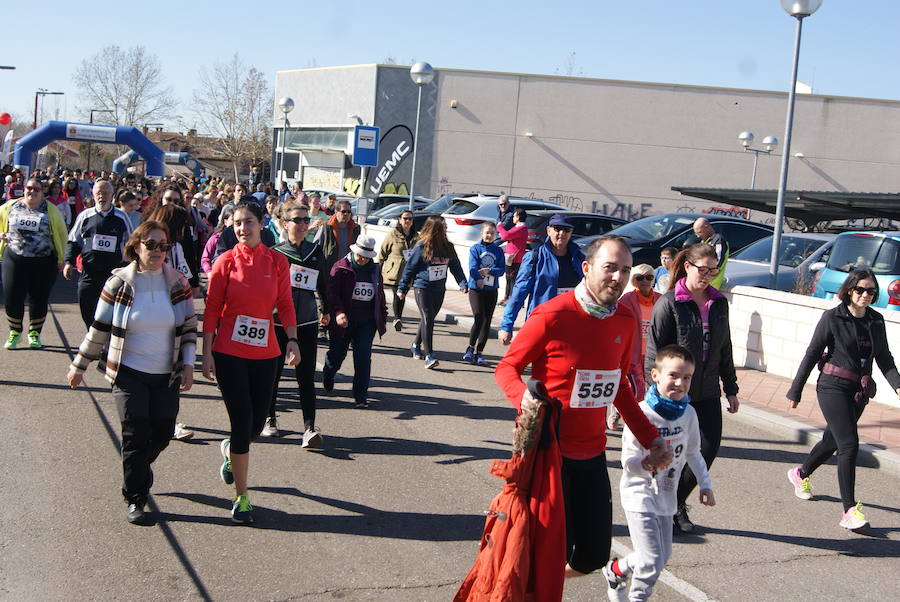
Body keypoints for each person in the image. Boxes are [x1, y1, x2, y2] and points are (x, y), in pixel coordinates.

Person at [495, 235, 672, 596]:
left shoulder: (624, 318)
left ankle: (536, 582)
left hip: (591, 454)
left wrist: (651, 438)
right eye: (610, 268)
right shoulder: (553, 314)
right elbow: (507, 367)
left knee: (592, 555)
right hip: (549, 454)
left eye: (625, 270)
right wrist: (525, 400)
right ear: (587, 268)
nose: (617, 278)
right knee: (549, 550)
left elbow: (618, 387)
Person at [65, 220, 197, 524]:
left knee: (162, 433)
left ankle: (138, 466)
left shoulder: (178, 283)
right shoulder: (119, 283)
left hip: (166, 373)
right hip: (128, 371)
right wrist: (79, 366)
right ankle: (135, 496)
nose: (157, 251)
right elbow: (98, 329)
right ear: (136, 247)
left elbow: (190, 328)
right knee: (134, 433)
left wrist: (188, 364)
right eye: (151, 244)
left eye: (163, 246)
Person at [202, 201, 299, 523]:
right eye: (237, 223)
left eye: (249, 222)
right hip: (229, 352)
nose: (243, 229)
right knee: (242, 419)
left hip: (266, 353)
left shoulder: (278, 262)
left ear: (261, 224)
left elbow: (285, 303)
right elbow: (213, 307)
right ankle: (242, 496)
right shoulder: (225, 262)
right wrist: (207, 351)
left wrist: (293, 340)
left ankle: (232, 449)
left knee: (257, 423)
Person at [786, 268, 900, 531]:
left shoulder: (876, 321)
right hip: (832, 386)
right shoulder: (833, 317)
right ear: (850, 290)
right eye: (860, 289)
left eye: (871, 291)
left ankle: (800, 473)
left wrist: (897, 385)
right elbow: (812, 353)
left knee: (832, 440)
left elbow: (884, 358)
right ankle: (849, 509)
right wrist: (796, 390)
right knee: (849, 444)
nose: (865, 295)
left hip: (858, 391)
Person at [603, 345, 715, 602]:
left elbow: (694, 452)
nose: (680, 383)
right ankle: (637, 597)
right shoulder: (641, 413)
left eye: (686, 377)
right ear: (655, 375)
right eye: (673, 375)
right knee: (651, 559)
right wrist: (647, 463)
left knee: (661, 557)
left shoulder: (688, 414)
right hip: (638, 494)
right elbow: (628, 462)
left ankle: (616, 570)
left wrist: (705, 484)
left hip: (667, 495)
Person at [645, 242, 739, 534]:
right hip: (675, 392)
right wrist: (658, 389)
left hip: (708, 389)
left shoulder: (718, 302)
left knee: (707, 449)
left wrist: (731, 387)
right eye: (703, 269)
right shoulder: (670, 302)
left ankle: (674, 502)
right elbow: (654, 351)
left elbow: (724, 346)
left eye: (714, 270)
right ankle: (666, 508)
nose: (708, 275)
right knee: (672, 453)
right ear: (688, 266)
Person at [267, 202, 330, 444]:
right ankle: (270, 418)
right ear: (285, 223)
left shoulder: (315, 252)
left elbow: (323, 284)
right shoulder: (275, 253)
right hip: (277, 322)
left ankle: (309, 427)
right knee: (274, 374)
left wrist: (326, 309)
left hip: (306, 320)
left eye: (306, 220)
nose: (303, 224)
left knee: (305, 375)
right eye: (298, 220)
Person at [1, 177, 68, 349]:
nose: (32, 191)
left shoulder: (51, 210)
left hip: (43, 262)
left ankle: (34, 333)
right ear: (24, 189)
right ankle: (15, 332)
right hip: (15, 259)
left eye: (36, 189)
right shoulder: (11, 206)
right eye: (29, 188)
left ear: (42, 192)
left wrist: (62, 258)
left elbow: (61, 234)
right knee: (12, 296)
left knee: (39, 298)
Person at [499, 213, 585, 345]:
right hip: (543, 324)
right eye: (557, 228)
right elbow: (518, 293)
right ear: (548, 230)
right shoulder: (535, 257)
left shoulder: (579, 257)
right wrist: (507, 325)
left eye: (566, 230)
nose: (562, 233)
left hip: (571, 325)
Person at [322, 234, 387, 408]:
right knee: (337, 355)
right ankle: (329, 372)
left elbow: (379, 295)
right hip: (343, 320)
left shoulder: (374, 270)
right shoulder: (341, 267)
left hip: (366, 322)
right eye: (360, 256)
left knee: (363, 357)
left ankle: (361, 396)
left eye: (366, 257)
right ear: (354, 251)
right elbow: (332, 293)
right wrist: (338, 312)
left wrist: (383, 316)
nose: (363, 260)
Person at [397, 216, 467, 369]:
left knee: (427, 319)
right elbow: (410, 268)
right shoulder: (421, 246)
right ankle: (429, 355)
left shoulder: (448, 247)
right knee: (428, 317)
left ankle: (416, 345)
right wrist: (402, 288)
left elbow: (456, 267)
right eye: (442, 228)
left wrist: (462, 283)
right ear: (433, 230)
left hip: (439, 289)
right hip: (422, 287)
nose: (445, 231)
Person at [64, 180, 134, 329]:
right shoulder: (85, 216)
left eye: (106, 193)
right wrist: (69, 262)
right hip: (89, 271)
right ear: (93, 195)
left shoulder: (122, 217)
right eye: (99, 193)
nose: (102, 196)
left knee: (110, 310)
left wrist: (132, 266)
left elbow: (131, 242)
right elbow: (73, 241)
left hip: (113, 273)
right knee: (86, 305)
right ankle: (92, 333)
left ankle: (105, 342)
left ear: (112, 196)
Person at [617, 264, 662, 401]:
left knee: (653, 389)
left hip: (653, 353)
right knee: (639, 391)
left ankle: (618, 412)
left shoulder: (660, 299)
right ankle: (635, 420)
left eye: (649, 277)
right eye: (640, 278)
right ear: (633, 280)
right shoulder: (626, 300)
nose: (645, 281)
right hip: (633, 354)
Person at [463, 222, 505, 365]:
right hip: (476, 289)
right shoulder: (475, 248)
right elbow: (473, 267)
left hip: (491, 289)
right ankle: (470, 348)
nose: (489, 235)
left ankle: (479, 353)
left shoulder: (498, 251)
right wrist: (479, 278)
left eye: (492, 233)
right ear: (481, 233)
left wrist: (490, 271)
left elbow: (501, 270)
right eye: (487, 232)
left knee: (487, 321)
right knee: (479, 317)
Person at [377, 208, 418, 331]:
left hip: (408, 271)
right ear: (399, 220)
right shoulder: (393, 234)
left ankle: (398, 317)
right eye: (405, 218)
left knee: (402, 294)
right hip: (394, 270)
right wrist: (378, 268)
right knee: (397, 294)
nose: (407, 221)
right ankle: (397, 318)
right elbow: (383, 252)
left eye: (410, 219)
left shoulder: (416, 236)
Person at [319, 199, 360, 277]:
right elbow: (317, 247)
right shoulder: (327, 227)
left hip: (349, 269)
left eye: (349, 212)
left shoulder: (356, 228)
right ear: (336, 212)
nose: (346, 214)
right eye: (343, 211)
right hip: (330, 270)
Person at [685, 218, 728, 290]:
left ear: (707, 227)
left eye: (699, 232)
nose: (698, 236)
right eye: (696, 233)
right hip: (703, 284)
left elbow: (718, 261)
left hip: (712, 285)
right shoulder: (705, 241)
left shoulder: (718, 240)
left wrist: (707, 275)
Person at [497, 208, 528, 306]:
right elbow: (504, 236)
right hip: (510, 257)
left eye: (514, 216)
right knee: (508, 278)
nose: (513, 218)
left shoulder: (521, 229)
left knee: (513, 279)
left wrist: (499, 226)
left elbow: (505, 235)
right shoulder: (516, 227)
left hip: (515, 258)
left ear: (518, 217)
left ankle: (512, 299)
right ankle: (506, 297)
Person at [201, 204, 235, 274]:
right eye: (233, 220)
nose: (235, 223)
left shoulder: (244, 239)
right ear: (225, 221)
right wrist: (209, 273)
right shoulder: (215, 238)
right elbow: (205, 259)